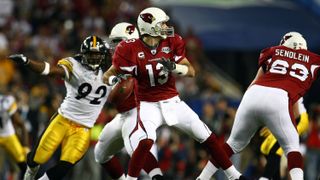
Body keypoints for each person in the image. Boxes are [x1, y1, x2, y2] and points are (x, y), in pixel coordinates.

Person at [103, 7, 245, 180]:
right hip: (148, 104)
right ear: (148, 27)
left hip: (172, 101)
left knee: (207, 136)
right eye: (161, 24)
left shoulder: (172, 42)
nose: (165, 27)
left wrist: (175, 67)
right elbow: (108, 75)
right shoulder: (129, 48)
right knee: (146, 141)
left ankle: (233, 175)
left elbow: (192, 71)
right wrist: (114, 80)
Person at [198, 31, 317, 180]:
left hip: (253, 95)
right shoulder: (314, 59)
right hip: (280, 100)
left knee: (232, 144)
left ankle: (202, 178)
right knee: (292, 148)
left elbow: (254, 83)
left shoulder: (273, 51)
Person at [8, 35, 112, 180]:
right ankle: (30, 173)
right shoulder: (75, 66)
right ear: (83, 54)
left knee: (65, 166)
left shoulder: (112, 72)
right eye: (91, 54)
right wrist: (27, 62)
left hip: (83, 128)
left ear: (103, 55)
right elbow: (50, 70)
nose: (94, 58)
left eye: (97, 54)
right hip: (63, 120)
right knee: (36, 158)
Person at [94, 22, 163, 180]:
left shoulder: (138, 61)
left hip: (138, 114)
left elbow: (115, 97)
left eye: (118, 42)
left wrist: (116, 86)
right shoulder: (123, 61)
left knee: (137, 154)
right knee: (100, 153)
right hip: (124, 115)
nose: (114, 46)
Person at [259, 97, 309, 179]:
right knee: (265, 148)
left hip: (297, 119)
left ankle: (265, 178)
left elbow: (295, 113)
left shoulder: (286, 85)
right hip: (288, 119)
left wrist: (276, 127)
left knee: (275, 150)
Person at [0, 85, 29, 179]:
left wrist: (25, 147)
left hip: (8, 135)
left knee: (24, 164)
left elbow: (21, 124)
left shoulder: (6, 102)